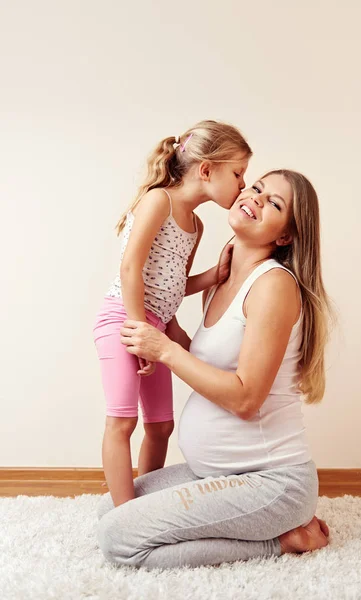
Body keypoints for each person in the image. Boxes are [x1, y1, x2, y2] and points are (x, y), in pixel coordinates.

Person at [97, 169, 332, 569]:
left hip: (271, 483)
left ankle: (282, 540)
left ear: (285, 237)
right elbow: (205, 366)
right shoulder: (221, 282)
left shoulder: (274, 285)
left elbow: (244, 398)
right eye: (256, 187)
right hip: (218, 474)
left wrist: (166, 349)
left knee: (118, 538)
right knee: (112, 508)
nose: (256, 197)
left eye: (274, 203)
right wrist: (162, 323)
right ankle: (239, 523)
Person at [93, 120, 252, 507]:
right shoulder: (158, 201)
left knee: (161, 425)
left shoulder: (195, 226)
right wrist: (139, 331)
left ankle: (144, 505)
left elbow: (173, 285)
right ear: (206, 169)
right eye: (238, 173)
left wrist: (215, 274)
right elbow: (131, 268)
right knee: (123, 421)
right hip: (124, 321)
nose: (244, 184)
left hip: (156, 329)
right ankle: (123, 514)